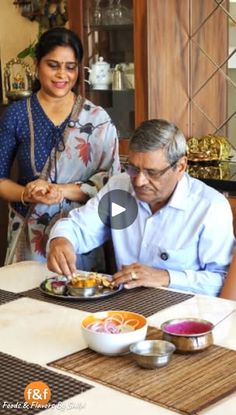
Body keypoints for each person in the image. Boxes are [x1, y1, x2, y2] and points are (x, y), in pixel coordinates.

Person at [47, 119, 235, 296]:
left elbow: (221, 279)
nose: (139, 181)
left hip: (185, 316)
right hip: (125, 306)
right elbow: (79, 227)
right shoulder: (120, 189)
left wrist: (165, 277)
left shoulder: (210, 207)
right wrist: (61, 240)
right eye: (133, 169)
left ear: (180, 166)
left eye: (152, 172)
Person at [0, 27, 120, 268]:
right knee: (29, 302)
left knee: (79, 299)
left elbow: (113, 184)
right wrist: (27, 194)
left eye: (70, 67)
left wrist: (60, 190)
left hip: (80, 234)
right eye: (53, 65)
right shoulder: (16, 114)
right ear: (37, 65)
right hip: (29, 233)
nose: (62, 75)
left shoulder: (97, 119)